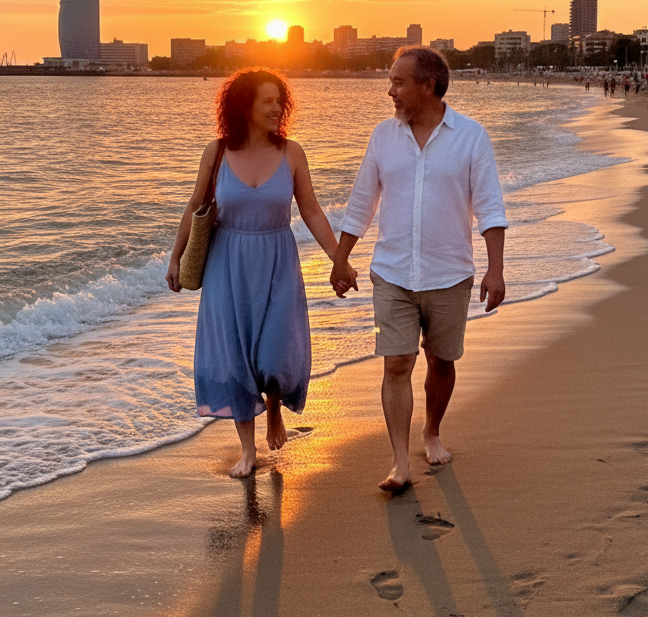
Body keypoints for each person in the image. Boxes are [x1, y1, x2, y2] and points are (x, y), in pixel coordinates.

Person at [330, 47, 507, 493]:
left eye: (398, 82)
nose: (390, 91)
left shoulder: (471, 137)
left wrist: (496, 269)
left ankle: (432, 431)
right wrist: (340, 258)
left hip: (450, 273)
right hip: (392, 272)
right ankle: (399, 463)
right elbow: (360, 204)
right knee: (397, 363)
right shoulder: (382, 137)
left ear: (427, 85)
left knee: (441, 361)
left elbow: (489, 207)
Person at [167, 69, 343, 478]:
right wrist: (175, 258)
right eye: (267, 100)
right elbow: (194, 208)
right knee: (235, 358)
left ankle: (275, 408)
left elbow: (312, 211)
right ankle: (248, 450)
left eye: (279, 100)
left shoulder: (292, 152)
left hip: (278, 260)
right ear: (245, 105)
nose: (276, 107)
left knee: (275, 350)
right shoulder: (216, 152)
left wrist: (338, 258)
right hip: (227, 264)